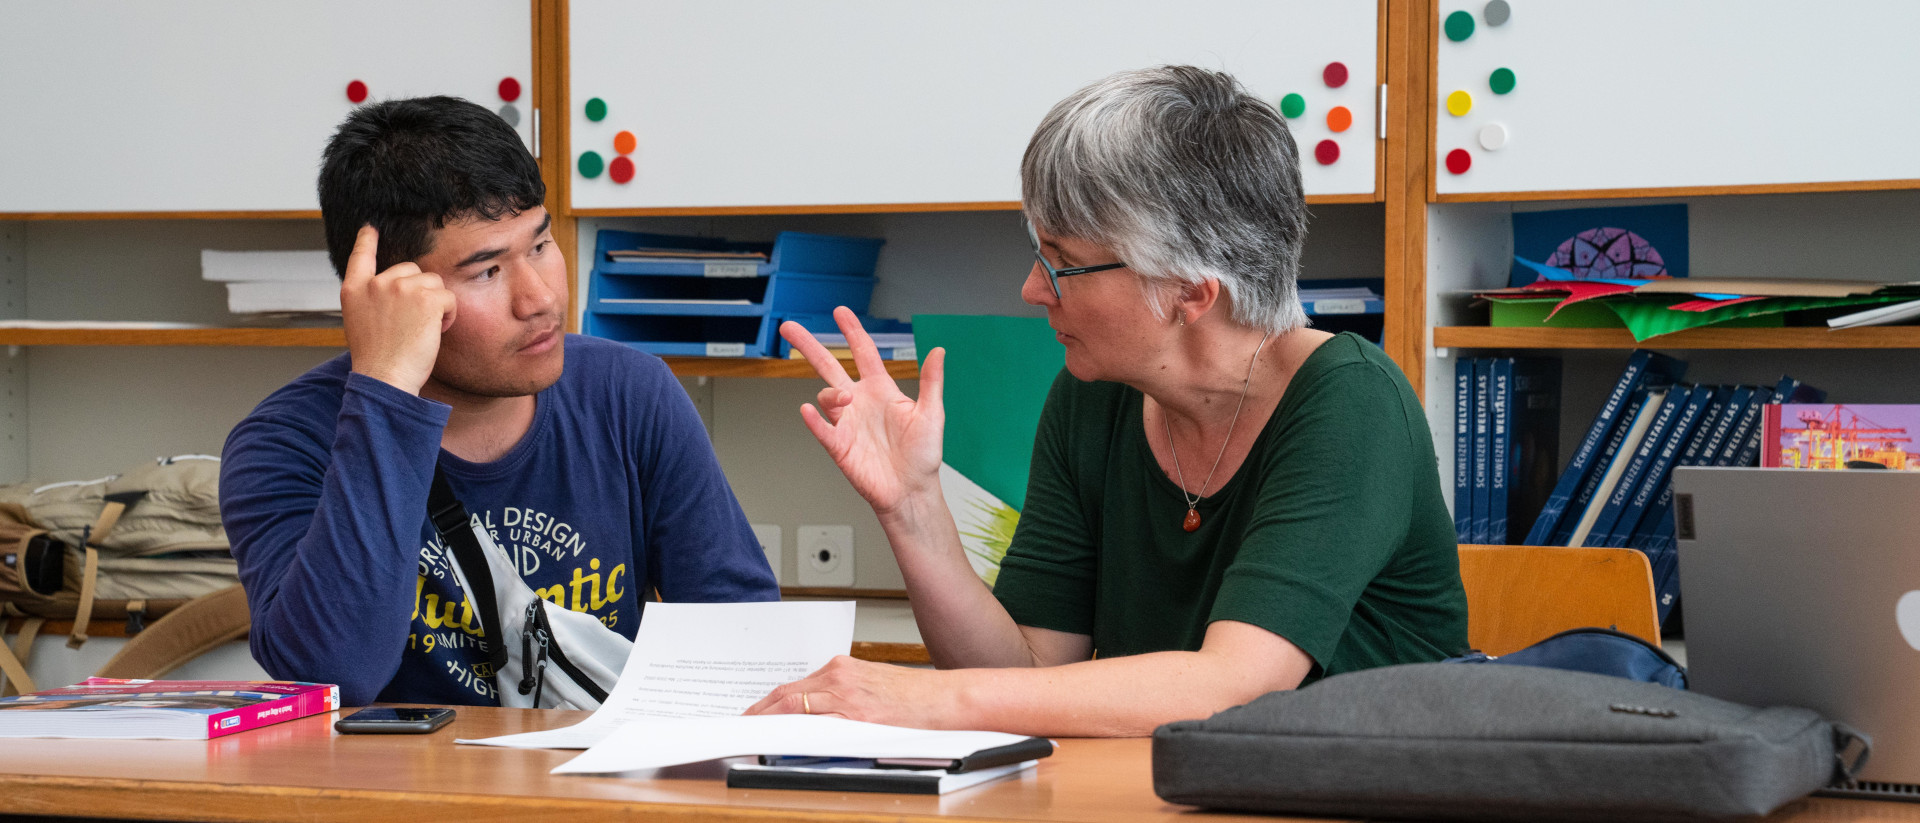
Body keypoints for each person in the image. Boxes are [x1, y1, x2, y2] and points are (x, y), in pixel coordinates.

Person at [748, 66, 1466, 736]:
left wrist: (922, 696)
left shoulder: (1352, 403)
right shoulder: (1096, 394)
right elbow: (1024, 671)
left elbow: (1235, 687)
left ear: (1190, 290)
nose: (1033, 289)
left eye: (1062, 261)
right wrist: (912, 507)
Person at [220, 96, 778, 707]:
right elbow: (336, 675)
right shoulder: (283, 442)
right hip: (398, 798)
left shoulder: (630, 394)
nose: (539, 298)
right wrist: (383, 395)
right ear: (392, 292)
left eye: (540, 246)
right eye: (487, 271)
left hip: (598, 788)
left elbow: (742, 638)